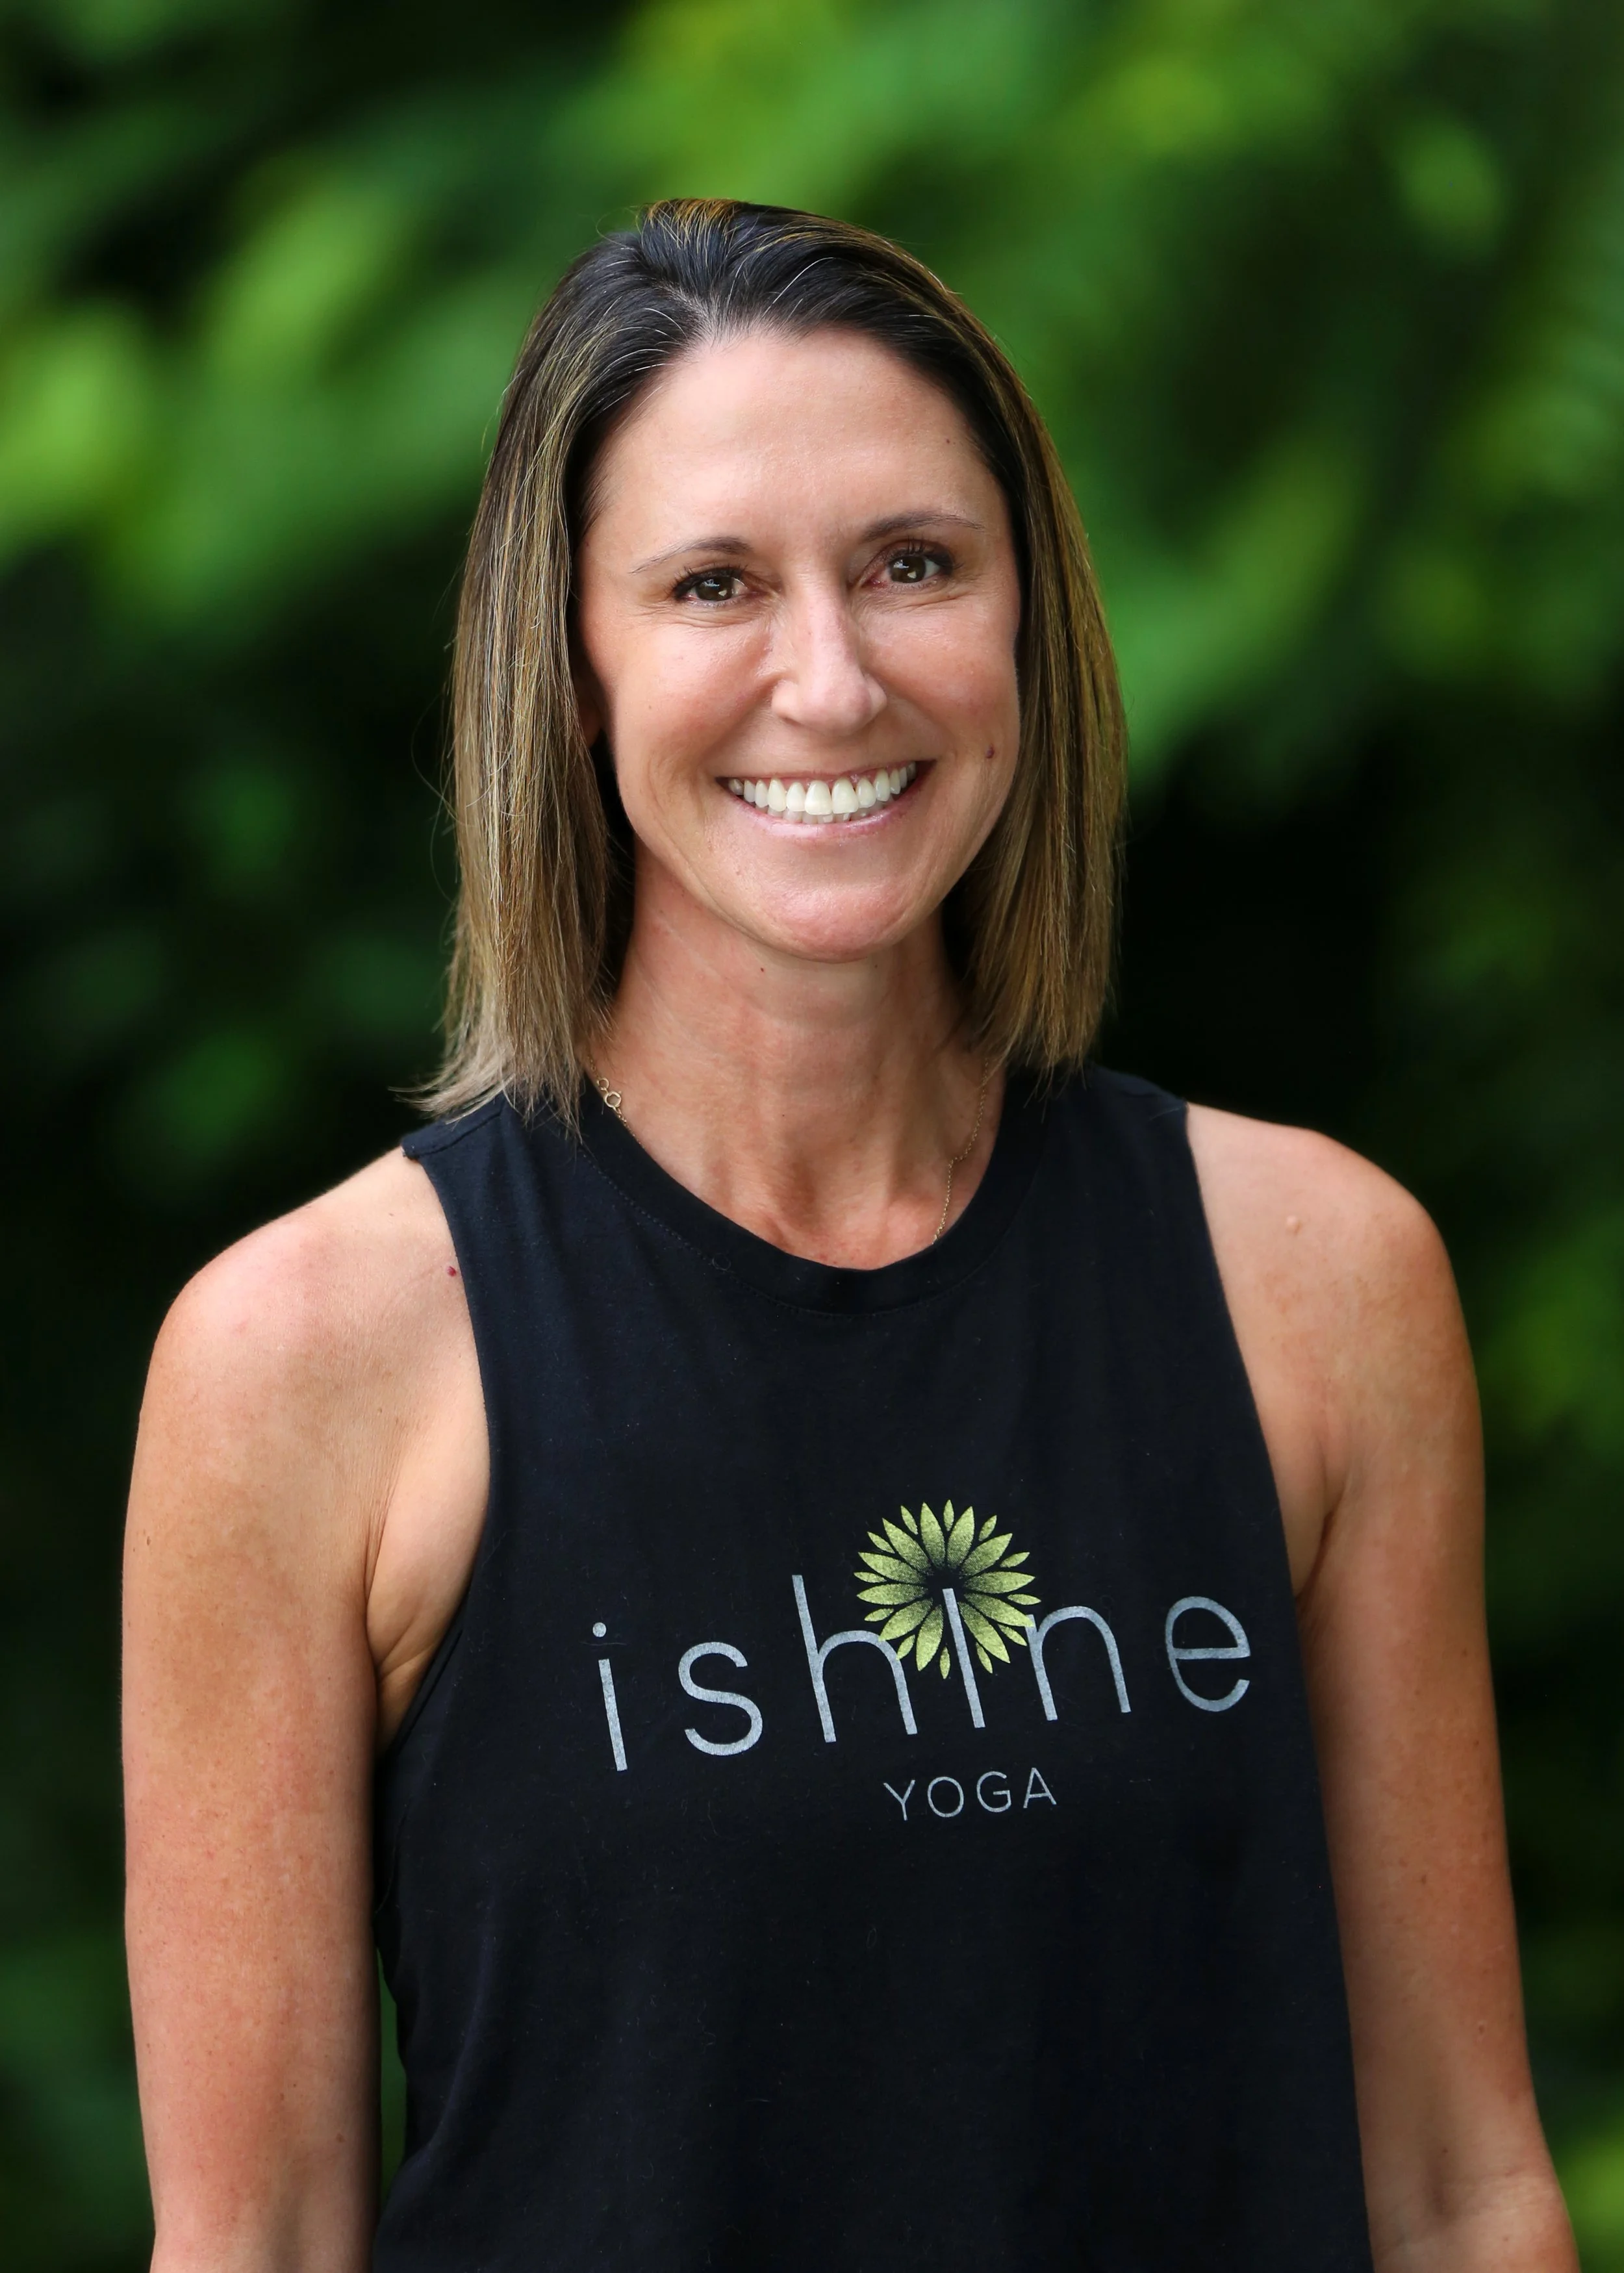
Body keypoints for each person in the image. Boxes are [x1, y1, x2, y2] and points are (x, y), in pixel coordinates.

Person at [123, 199, 1576, 2272]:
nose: (830, 675)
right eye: (714, 584)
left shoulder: (1317, 1280)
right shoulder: (307, 1363)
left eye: (912, 565)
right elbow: (251, 2239)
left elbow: (1456, 2186)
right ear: (571, 661)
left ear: (1023, 620)